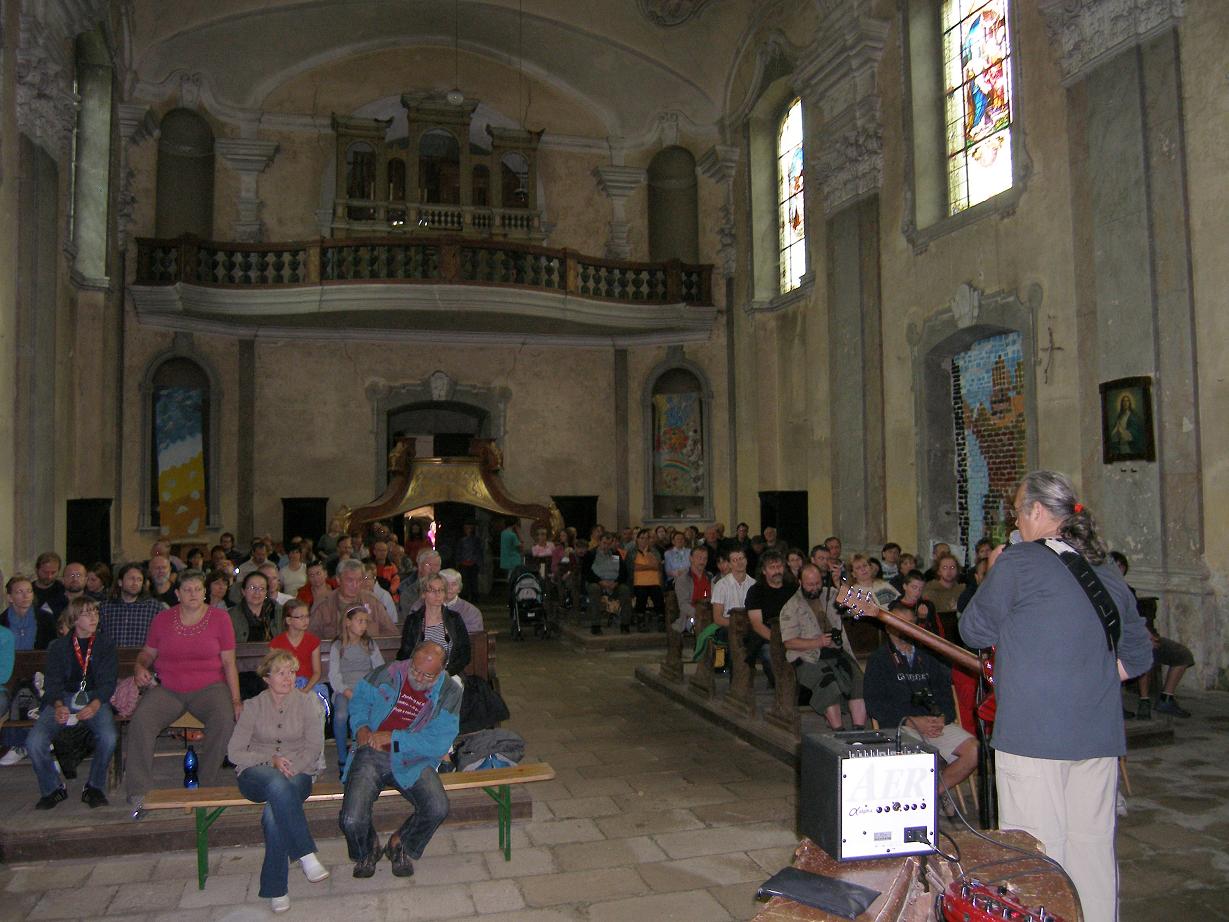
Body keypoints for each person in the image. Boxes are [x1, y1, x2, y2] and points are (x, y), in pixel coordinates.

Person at [960, 471, 1152, 922]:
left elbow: (973, 628)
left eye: (1018, 512)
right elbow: (1139, 654)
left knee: (1037, 856)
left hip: (1033, 740)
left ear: (1039, 513)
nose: (1016, 521)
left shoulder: (1019, 562)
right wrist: (1092, 683)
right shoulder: (1104, 570)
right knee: (1093, 855)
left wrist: (995, 568)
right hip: (1098, 739)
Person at [338, 641, 462, 879]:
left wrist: (395, 739)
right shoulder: (389, 672)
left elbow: (437, 742)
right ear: (411, 659)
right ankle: (368, 848)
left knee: (437, 807)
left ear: (442, 670)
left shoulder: (450, 692)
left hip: (413, 757)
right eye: (415, 670)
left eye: (428, 675)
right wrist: (361, 726)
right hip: (372, 750)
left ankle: (400, 843)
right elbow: (360, 699)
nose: (418, 677)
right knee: (351, 819)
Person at [125, 569, 242, 815]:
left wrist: (235, 699)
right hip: (169, 687)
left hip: (210, 686)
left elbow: (229, 662)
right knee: (141, 721)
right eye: (187, 589)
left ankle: (206, 786)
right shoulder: (162, 619)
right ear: (177, 593)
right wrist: (139, 666)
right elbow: (148, 652)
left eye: (198, 589)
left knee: (223, 720)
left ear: (205, 592)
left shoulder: (220, 619)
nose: (193, 594)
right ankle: (139, 792)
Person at [228, 649, 330, 913]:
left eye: (292, 672)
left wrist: (292, 767)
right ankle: (306, 854)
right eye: (281, 673)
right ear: (267, 677)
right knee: (275, 783)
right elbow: (235, 752)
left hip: (299, 772)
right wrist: (270, 759)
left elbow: (314, 747)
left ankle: (276, 889)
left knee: (275, 812)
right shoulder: (253, 706)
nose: (288, 678)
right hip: (256, 774)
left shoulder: (307, 702)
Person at [863, 603, 977, 813]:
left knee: (974, 751)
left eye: (911, 625)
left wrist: (942, 717)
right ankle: (922, 798)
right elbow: (875, 705)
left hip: (935, 723)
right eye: (900, 624)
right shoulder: (879, 660)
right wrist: (911, 721)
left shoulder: (930, 657)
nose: (907, 630)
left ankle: (934, 791)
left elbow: (945, 696)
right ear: (889, 627)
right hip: (903, 725)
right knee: (918, 755)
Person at [25, 597, 118, 809]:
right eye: (87, 613)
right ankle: (52, 788)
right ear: (75, 619)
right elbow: (52, 682)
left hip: (94, 697)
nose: (94, 616)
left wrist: (95, 704)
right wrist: (58, 705)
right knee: (34, 742)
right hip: (64, 697)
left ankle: (94, 787)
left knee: (108, 737)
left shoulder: (105, 644)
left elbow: (108, 682)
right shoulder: (59, 647)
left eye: (95, 612)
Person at [780, 565, 867, 731]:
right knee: (828, 684)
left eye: (817, 583)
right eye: (810, 584)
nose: (814, 588)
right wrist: (816, 642)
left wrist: (838, 582)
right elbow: (789, 642)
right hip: (807, 656)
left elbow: (858, 605)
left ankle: (859, 729)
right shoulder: (791, 606)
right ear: (800, 582)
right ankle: (838, 730)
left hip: (837, 652)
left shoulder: (831, 594)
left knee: (858, 680)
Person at [1110, 551, 1195, 719]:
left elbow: (1138, 617)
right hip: (1120, 642)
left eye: (1121, 567)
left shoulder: (1128, 592)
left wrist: (1150, 635)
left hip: (1141, 636)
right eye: (1115, 566)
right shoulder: (1103, 592)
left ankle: (1166, 699)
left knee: (1182, 655)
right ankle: (1139, 701)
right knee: (1141, 653)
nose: (1119, 571)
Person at [328, 605, 385, 773]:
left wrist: (374, 689)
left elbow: (379, 669)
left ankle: (363, 754)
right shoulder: (338, 646)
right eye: (359, 621)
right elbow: (334, 674)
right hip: (344, 690)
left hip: (366, 689)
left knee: (370, 714)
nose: (363, 625)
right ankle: (342, 758)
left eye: (365, 622)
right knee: (341, 715)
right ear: (347, 622)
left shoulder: (369, 644)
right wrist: (346, 691)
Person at [396, 574, 470, 676]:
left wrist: (447, 673)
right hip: (419, 674)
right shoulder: (413, 620)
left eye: (441, 590)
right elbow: (405, 653)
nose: (437, 594)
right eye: (432, 590)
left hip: (448, 674)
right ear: (423, 594)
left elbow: (465, 654)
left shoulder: (454, 619)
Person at [310, 558, 397, 640]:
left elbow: (391, 634)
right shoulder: (323, 605)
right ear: (338, 580)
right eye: (350, 580)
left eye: (359, 580)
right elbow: (310, 639)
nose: (355, 585)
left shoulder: (372, 602)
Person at [98, 563, 164, 648]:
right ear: (120, 582)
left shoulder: (154, 608)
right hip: (112, 658)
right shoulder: (105, 607)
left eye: (139, 579)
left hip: (142, 658)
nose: (135, 583)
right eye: (131, 579)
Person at [583, 532, 632, 635]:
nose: (606, 546)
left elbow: (623, 572)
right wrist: (601, 582)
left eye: (609, 544)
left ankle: (625, 625)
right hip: (597, 582)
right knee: (594, 589)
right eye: (604, 543)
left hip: (613, 583)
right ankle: (595, 626)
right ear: (599, 542)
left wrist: (616, 583)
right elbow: (587, 573)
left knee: (625, 590)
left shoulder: (615, 554)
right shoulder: (591, 554)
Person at [269, 599, 322, 694]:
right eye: (301, 617)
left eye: (307, 616)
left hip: (309, 685)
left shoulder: (313, 641)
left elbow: (317, 672)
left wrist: (305, 690)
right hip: (286, 686)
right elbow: (274, 673)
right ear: (288, 620)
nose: (305, 620)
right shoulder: (276, 644)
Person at [628, 528, 666, 631]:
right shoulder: (632, 552)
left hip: (654, 581)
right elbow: (633, 567)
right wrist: (650, 566)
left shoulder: (654, 551)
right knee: (641, 596)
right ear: (637, 539)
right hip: (638, 582)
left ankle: (661, 621)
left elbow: (657, 566)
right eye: (642, 538)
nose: (644, 540)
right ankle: (641, 622)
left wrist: (647, 555)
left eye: (647, 538)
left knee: (658, 596)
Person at [229, 570, 281, 643]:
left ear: (266, 592)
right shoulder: (231, 617)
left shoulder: (277, 611)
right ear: (243, 591)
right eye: (253, 588)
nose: (257, 593)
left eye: (262, 588)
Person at [440, 569, 483, 633]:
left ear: (459, 589)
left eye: (454, 584)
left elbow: (474, 639)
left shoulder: (472, 612)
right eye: (445, 584)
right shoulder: (424, 606)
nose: (449, 588)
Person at [455, 522, 484, 602]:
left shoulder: (476, 540)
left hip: (473, 563)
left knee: (473, 581)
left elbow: (479, 552)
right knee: (465, 581)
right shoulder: (461, 541)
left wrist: (479, 563)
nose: (468, 530)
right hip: (464, 563)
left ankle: (474, 597)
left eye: (469, 528)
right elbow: (459, 552)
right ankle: (466, 596)